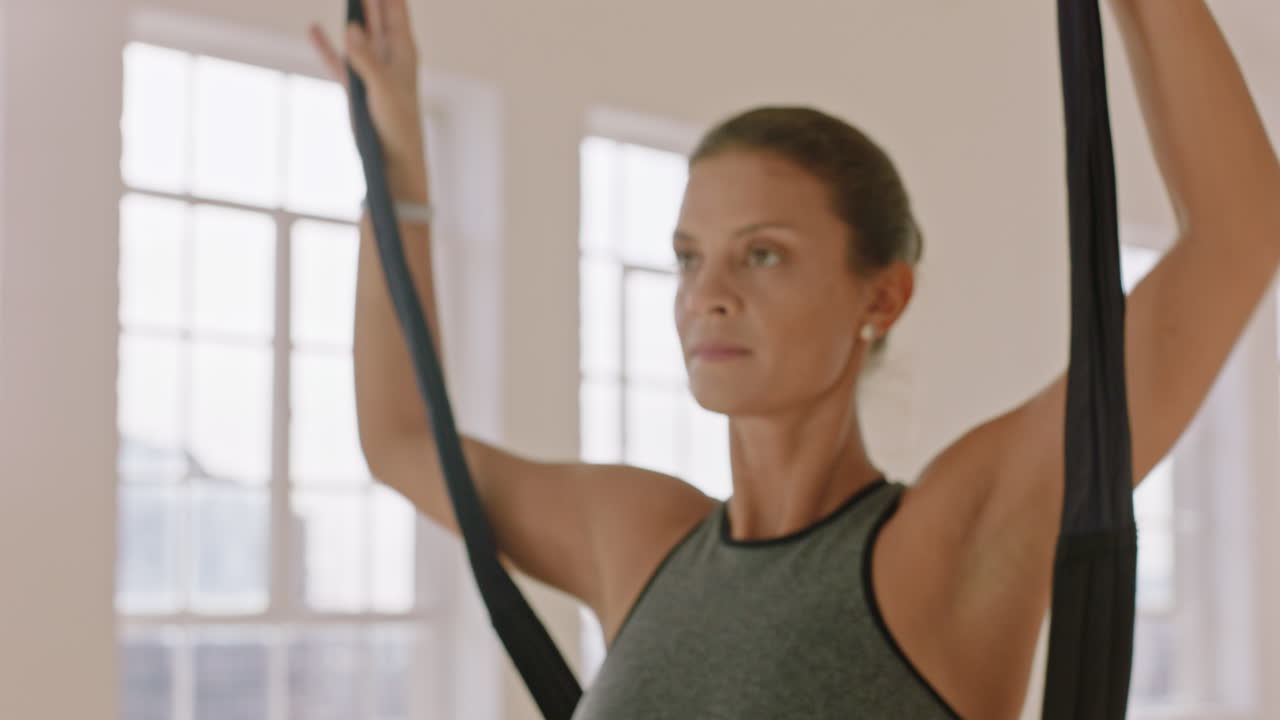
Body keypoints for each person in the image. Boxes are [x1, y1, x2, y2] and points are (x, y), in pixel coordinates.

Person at [309, 1, 1280, 717]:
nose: (708, 293)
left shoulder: (947, 542)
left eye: (761, 253)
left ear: (880, 295)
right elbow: (401, 438)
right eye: (689, 257)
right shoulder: (638, 538)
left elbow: (1236, 235)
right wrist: (396, 166)